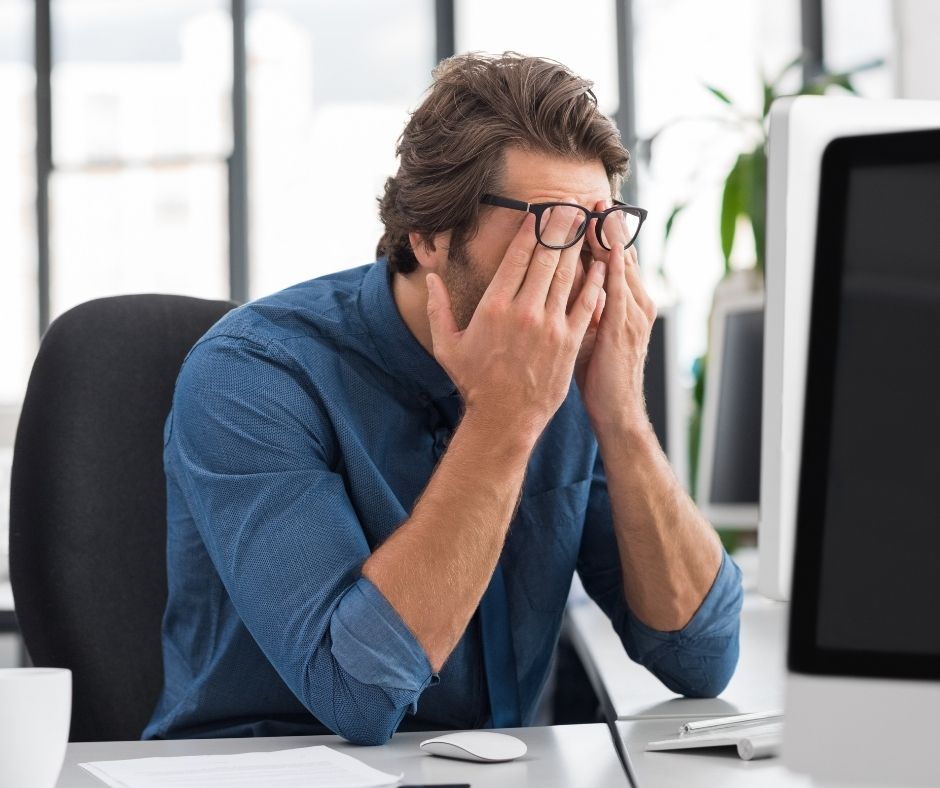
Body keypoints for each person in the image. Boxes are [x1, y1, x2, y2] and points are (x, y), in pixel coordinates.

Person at [144, 52, 742, 745]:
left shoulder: (574, 370)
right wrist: (504, 419)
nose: (582, 269)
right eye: (552, 226)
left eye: (601, 230)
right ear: (430, 234)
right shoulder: (252, 375)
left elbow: (701, 658)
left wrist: (622, 418)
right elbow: (356, 695)